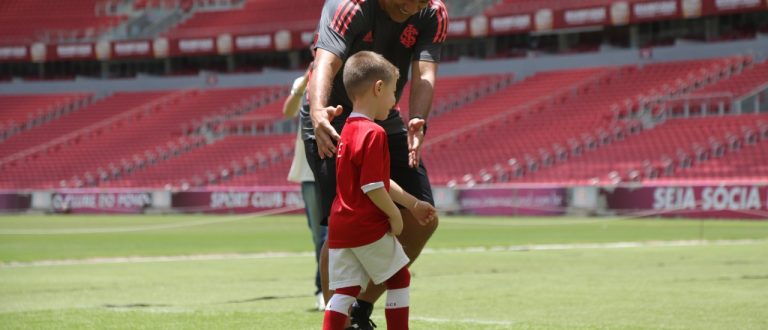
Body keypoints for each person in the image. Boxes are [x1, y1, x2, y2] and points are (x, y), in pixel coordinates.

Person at [300, 0, 448, 328]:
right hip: (330, 116)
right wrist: (318, 111)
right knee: (341, 225)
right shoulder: (349, 7)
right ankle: (338, 321)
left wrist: (419, 118)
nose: (412, 8)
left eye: (420, 1)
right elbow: (325, 61)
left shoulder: (433, 13)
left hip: (384, 115)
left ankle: (359, 311)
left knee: (423, 218)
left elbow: (424, 71)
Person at [323, 51, 436, 330]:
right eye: (394, 91)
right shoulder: (374, 132)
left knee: (345, 291)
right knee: (399, 278)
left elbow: (379, 179)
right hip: (365, 225)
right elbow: (373, 186)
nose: (395, 100)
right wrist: (395, 216)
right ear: (378, 88)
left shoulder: (347, 128)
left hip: (341, 226)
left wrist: (412, 203)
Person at [283, 67, 327, 311]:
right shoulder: (302, 81)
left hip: (329, 164)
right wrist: (302, 88)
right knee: (317, 234)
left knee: (326, 233)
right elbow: (288, 111)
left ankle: (324, 288)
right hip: (308, 171)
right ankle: (326, 287)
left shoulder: (335, 79)